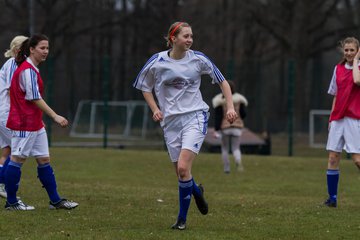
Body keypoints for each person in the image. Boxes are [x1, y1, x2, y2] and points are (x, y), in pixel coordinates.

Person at [133, 21, 237, 230]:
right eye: (185, 36)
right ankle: (197, 192)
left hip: (195, 117)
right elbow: (144, 87)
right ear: (173, 39)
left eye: (191, 36)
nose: (189, 40)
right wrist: (155, 109)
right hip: (170, 122)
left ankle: (181, 220)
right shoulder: (157, 61)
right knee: (182, 174)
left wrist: (230, 107)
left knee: (182, 168)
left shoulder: (199, 59)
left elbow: (223, 81)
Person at [4, 34, 79, 210]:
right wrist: (55, 116)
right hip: (24, 123)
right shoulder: (27, 70)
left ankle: (55, 201)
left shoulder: (32, 68)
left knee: (44, 159)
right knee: (16, 159)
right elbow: (34, 98)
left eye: (47, 48)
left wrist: (40, 120)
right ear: (31, 49)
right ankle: (11, 202)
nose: (46, 51)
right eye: (42, 48)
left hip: (34, 123)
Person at [324, 37, 360, 208]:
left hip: (354, 119)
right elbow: (336, 94)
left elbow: (356, 81)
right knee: (333, 157)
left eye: (352, 50)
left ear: (357, 51)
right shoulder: (337, 69)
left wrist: (357, 61)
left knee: (357, 160)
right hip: (338, 119)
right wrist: (332, 117)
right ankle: (332, 198)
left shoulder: (358, 68)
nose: (349, 53)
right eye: (346, 50)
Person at [0, 35, 29, 199]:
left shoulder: (10, 64)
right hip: (6, 112)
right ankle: (2, 184)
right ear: (19, 49)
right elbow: (13, 92)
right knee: (18, 149)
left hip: (3, 111)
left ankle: (2, 183)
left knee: (8, 150)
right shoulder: (13, 64)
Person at [212, 80, 248, 173]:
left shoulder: (219, 101)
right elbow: (243, 114)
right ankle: (238, 162)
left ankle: (227, 168)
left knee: (225, 148)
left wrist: (216, 129)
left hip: (225, 128)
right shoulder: (240, 100)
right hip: (237, 128)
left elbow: (218, 117)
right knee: (236, 148)